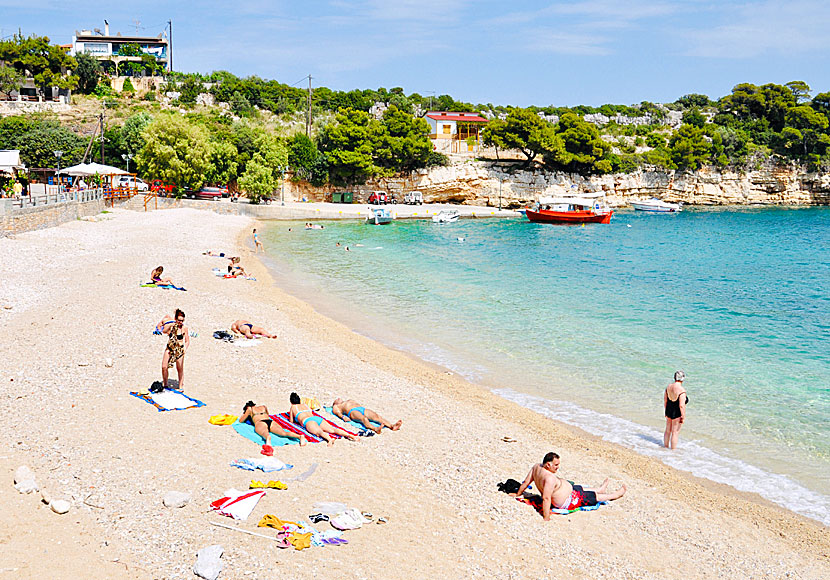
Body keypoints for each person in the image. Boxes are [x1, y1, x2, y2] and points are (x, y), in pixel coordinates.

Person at [511, 452, 626, 521]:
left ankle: (600, 489)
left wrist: (518, 494)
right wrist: (546, 517)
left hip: (568, 493)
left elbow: (526, 482)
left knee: (578, 488)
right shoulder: (549, 479)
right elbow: (546, 498)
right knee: (590, 496)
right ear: (548, 465)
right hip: (566, 502)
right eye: (555, 465)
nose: (557, 467)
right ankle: (615, 495)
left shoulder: (536, 467)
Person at [288, 392, 357, 446]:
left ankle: (329, 439)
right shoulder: (305, 405)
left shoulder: (293, 407)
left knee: (320, 432)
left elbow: (291, 421)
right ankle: (350, 435)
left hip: (308, 421)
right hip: (316, 418)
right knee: (333, 429)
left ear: (291, 402)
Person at [240, 400, 307, 455]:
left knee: (264, 432)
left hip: (260, 422)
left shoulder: (250, 409)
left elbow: (241, 420)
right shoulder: (263, 407)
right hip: (270, 422)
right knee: (284, 433)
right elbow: (268, 415)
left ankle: (268, 438)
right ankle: (300, 436)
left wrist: (247, 413)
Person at [331, 398, 401, 435]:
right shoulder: (336, 406)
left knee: (377, 417)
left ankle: (391, 426)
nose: (338, 398)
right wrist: (343, 417)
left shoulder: (348, 400)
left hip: (362, 409)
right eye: (336, 399)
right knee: (364, 419)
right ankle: (375, 429)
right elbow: (337, 413)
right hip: (352, 411)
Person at [161, 309, 190, 390]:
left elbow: (187, 341)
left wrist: (185, 348)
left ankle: (180, 385)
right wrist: (171, 324)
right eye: (179, 320)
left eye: (182, 320)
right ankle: (165, 384)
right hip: (170, 348)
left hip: (179, 349)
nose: (180, 322)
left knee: (179, 368)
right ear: (176, 319)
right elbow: (164, 331)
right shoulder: (171, 326)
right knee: (164, 366)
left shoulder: (184, 328)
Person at [663, 371, 688, 450]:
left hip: (668, 409)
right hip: (676, 412)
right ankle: (673, 451)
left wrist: (666, 411)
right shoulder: (682, 390)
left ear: (674, 377)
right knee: (675, 432)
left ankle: (665, 447)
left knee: (667, 430)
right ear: (683, 379)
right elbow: (681, 405)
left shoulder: (668, 387)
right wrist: (683, 416)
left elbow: (665, 401)